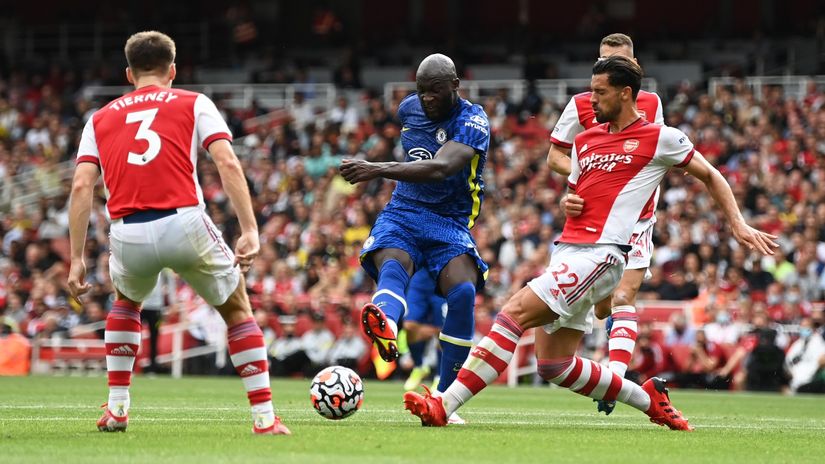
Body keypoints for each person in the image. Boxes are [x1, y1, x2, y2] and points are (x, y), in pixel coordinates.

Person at [403, 56, 778, 431]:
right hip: (568, 251)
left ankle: (443, 404)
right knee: (554, 365)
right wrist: (570, 201)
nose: (591, 100)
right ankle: (650, 399)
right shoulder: (584, 142)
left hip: (602, 255)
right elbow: (577, 199)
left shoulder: (661, 138)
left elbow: (711, 176)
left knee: (514, 312)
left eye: (600, 92)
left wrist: (738, 223)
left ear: (625, 93)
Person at [66, 31, 289, 435]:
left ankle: (117, 409)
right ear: (172, 70)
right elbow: (227, 161)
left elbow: (82, 186)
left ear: (129, 73)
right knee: (237, 308)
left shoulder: (99, 119)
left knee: (126, 303)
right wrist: (250, 229)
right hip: (184, 220)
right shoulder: (193, 102)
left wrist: (76, 258)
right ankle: (264, 418)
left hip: (127, 229)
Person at [339, 53, 489, 424]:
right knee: (393, 263)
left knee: (464, 292)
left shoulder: (473, 120)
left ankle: (445, 398)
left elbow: (441, 168)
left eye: (435, 91)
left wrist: (375, 168)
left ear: (455, 85)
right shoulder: (409, 109)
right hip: (403, 212)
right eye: (422, 92)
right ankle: (387, 323)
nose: (427, 99)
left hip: (449, 222)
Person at [547, 33, 663, 415]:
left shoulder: (650, 103)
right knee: (603, 308)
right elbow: (555, 156)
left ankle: (614, 380)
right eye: (603, 60)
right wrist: (581, 180)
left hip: (637, 216)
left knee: (624, 297)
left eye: (619, 62)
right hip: (593, 218)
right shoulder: (582, 103)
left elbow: (656, 155)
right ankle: (610, 371)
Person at [402, 270, 446, 391]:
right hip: (419, 282)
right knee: (409, 325)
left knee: (442, 332)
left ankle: (440, 376)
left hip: (442, 281)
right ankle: (419, 367)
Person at [140, 268, 174, 373]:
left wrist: (171, 303)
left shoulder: (165, 269)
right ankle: (130, 366)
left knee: (154, 338)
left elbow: (171, 284)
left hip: (156, 308)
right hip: (141, 305)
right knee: (133, 335)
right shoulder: (144, 263)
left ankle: (153, 367)